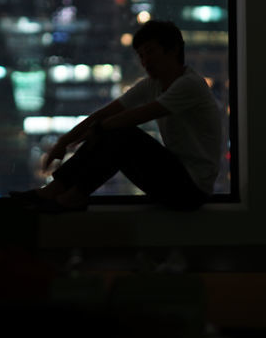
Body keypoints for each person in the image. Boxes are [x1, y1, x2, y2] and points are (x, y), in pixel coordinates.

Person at [12, 20, 222, 213]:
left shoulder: (189, 85)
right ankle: (58, 190)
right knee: (115, 131)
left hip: (192, 190)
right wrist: (64, 141)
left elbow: (134, 117)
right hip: (173, 180)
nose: (145, 61)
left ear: (174, 49)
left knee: (122, 134)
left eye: (150, 52)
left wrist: (95, 131)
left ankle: (70, 194)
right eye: (141, 55)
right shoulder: (153, 84)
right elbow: (104, 114)